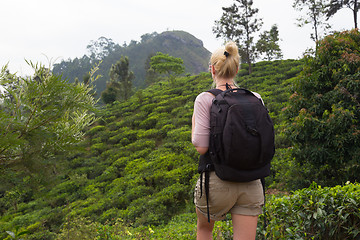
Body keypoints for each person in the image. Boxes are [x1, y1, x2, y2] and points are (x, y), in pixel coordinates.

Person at [191, 41, 264, 240]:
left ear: (212, 69)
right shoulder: (256, 98)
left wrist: (194, 123)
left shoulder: (204, 99)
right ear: (236, 68)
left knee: (205, 230)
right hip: (251, 181)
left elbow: (201, 147)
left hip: (217, 180)